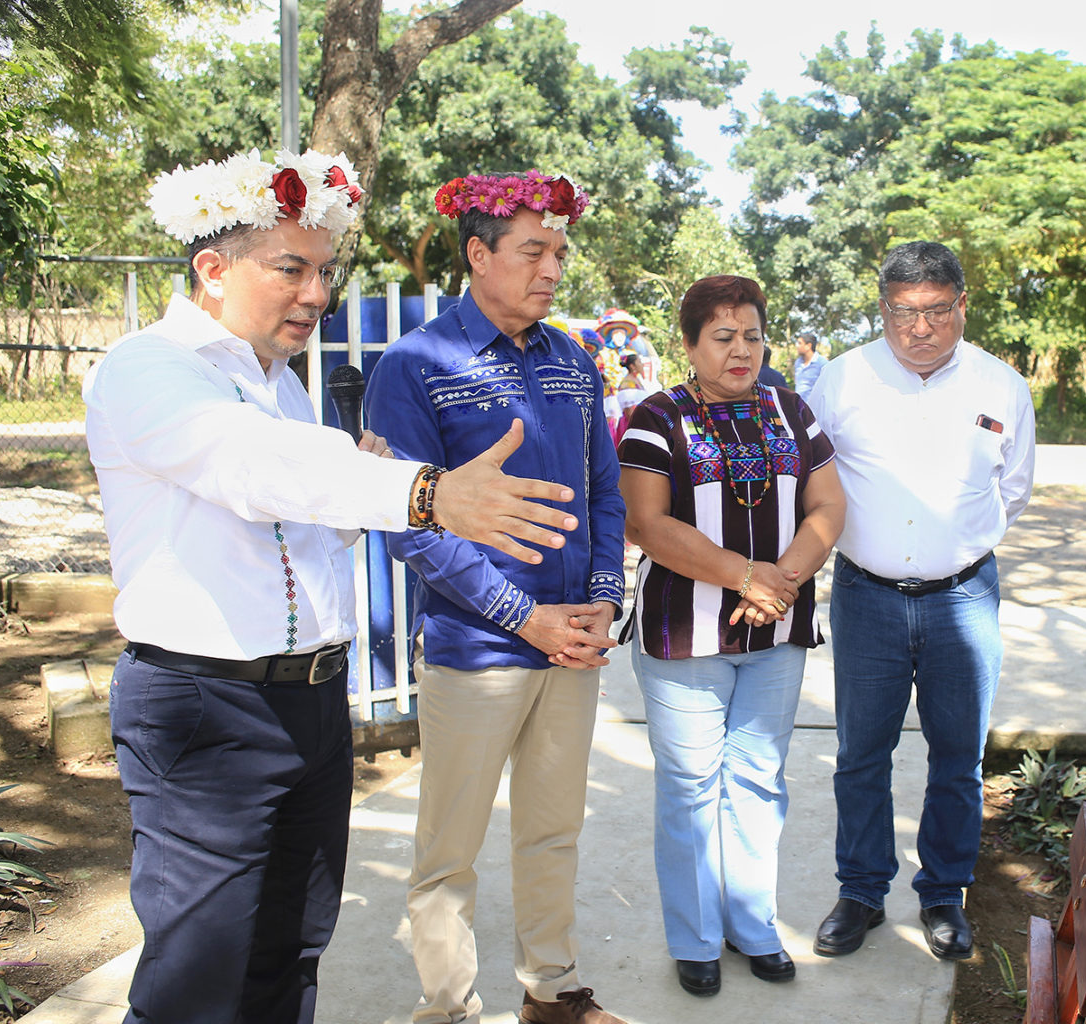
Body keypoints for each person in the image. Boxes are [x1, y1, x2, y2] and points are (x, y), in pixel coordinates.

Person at [85, 150, 579, 1024]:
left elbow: (302, 520)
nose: (316, 294)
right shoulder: (148, 367)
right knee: (200, 974)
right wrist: (426, 491)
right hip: (206, 707)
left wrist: (361, 490)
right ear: (212, 267)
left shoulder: (281, 387)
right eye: (291, 269)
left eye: (324, 271)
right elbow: (247, 468)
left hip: (310, 705)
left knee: (291, 948)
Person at [364, 170, 629, 1024]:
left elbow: (602, 492)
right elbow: (408, 525)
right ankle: (447, 1007)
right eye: (531, 251)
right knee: (450, 852)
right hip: (477, 652)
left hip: (573, 646)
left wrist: (599, 605)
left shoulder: (575, 360)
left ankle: (552, 992)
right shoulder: (415, 366)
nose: (552, 268)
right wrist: (525, 617)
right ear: (477, 255)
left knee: (553, 833)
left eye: (559, 251)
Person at [807, 241, 1034, 962]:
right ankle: (861, 892)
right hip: (866, 599)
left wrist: (953, 544)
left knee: (958, 758)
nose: (920, 328)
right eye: (903, 313)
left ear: (962, 306)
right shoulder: (842, 381)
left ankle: (943, 895)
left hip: (963, 599)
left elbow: (1015, 489)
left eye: (937, 310)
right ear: (883, 310)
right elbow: (814, 485)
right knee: (860, 754)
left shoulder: (1002, 388)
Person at [619, 275, 846, 996]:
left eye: (752, 335)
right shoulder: (658, 417)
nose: (741, 350)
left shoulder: (791, 409)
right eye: (723, 337)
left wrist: (780, 580)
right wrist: (745, 576)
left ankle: (752, 925)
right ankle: (694, 939)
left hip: (774, 631)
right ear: (689, 346)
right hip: (686, 636)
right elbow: (646, 524)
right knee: (691, 789)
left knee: (756, 781)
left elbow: (828, 502)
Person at [792, 331, 827, 399]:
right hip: (799, 406)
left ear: (808, 346)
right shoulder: (798, 362)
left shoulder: (822, 364)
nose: (797, 346)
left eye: (799, 343)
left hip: (814, 407)